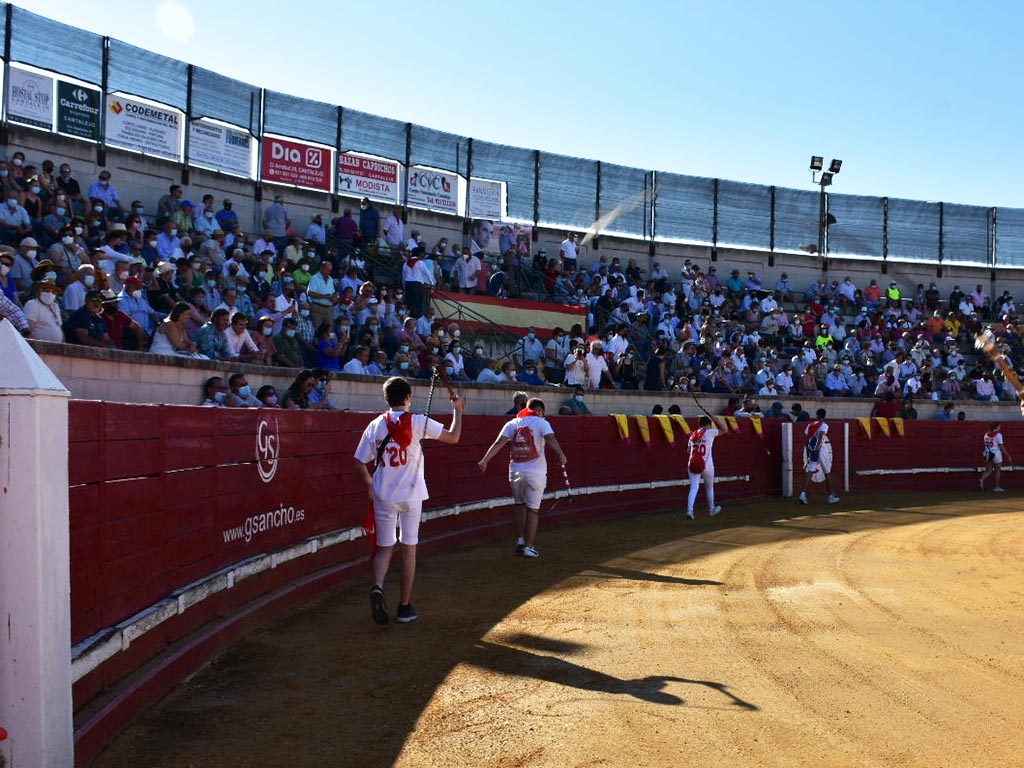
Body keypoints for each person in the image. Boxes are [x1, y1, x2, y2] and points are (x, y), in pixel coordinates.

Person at [354, 376, 464, 625]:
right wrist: (458, 411)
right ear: (408, 397)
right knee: (409, 548)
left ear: (386, 399)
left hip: (384, 494)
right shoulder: (417, 422)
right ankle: (404, 606)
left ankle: (378, 587)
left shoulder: (375, 425)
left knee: (384, 548)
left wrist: (370, 484)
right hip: (411, 494)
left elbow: (359, 460)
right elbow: (454, 437)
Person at [478, 397, 567, 558]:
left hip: (516, 471)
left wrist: (485, 460)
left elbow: (499, 443)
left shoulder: (512, 423)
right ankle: (529, 546)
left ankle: (520, 540)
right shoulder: (542, 422)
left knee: (519, 505)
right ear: (539, 411)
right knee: (533, 509)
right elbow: (550, 439)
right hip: (536, 472)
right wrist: (560, 453)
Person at [798, 408, 840, 506]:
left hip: (811, 448)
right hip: (821, 450)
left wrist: (809, 451)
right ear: (824, 416)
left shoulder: (810, 425)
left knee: (810, 471)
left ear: (816, 415)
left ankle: (803, 495)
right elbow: (821, 436)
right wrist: (817, 448)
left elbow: (806, 439)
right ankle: (831, 496)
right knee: (827, 472)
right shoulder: (824, 425)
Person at [685, 415, 722, 520]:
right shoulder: (710, 432)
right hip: (707, 464)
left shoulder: (693, 435)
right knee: (709, 487)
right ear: (708, 425)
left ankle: (690, 510)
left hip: (693, 463)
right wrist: (718, 420)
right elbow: (725, 429)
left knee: (693, 488)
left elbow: (688, 451)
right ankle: (711, 509)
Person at [979, 421, 1011, 493]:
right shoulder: (998, 435)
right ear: (996, 427)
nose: (1000, 427)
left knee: (988, 470)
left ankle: (982, 479)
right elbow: (1001, 446)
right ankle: (996, 487)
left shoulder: (986, 434)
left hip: (987, 453)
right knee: (997, 470)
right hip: (996, 453)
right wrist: (1008, 455)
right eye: (999, 426)